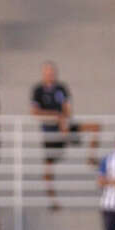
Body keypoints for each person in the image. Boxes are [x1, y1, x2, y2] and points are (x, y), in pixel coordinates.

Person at [30, 61, 101, 210]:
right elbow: (35, 113)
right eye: (47, 72)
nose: (50, 75)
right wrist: (55, 116)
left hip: (65, 126)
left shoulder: (61, 88)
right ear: (43, 74)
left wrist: (63, 119)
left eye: (52, 72)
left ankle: (91, 157)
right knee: (48, 169)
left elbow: (68, 109)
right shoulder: (38, 90)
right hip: (50, 131)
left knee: (95, 127)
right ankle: (52, 201)